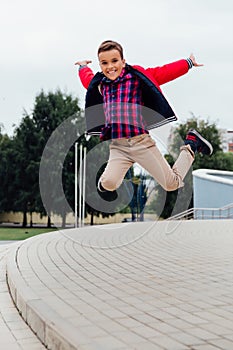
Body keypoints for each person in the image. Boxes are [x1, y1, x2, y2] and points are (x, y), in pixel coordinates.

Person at [75, 40, 213, 201]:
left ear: (123, 61)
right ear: (100, 65)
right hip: (119, 147)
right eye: (104, 63)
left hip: (142, 144)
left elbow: (163, 72)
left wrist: (187, 63)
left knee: (171, 184)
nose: (110, 66)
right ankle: (105, 186)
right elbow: (87, 79)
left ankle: (191, 144)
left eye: (114, 61)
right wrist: (83, 67)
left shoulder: (136, 78)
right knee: (109, 183)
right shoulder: (101, 84)